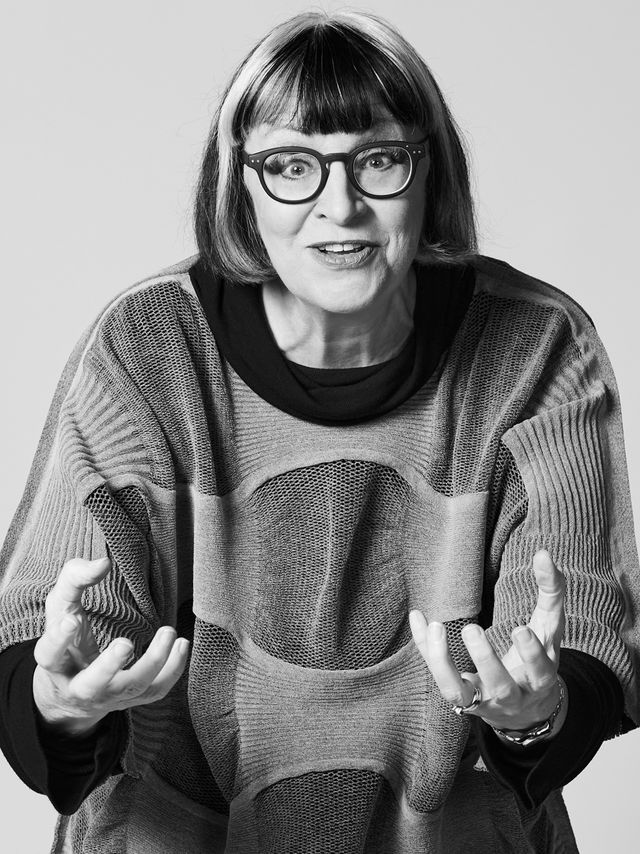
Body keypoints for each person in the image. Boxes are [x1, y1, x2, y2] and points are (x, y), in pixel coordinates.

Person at [0, 8, 638, 853]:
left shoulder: (534, 345)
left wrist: (537, 711)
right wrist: (60, 702)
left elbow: (577, 628)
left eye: (378, 159)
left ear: (430, 172)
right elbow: (52, 632)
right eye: (291, 166)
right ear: (239, 184)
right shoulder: (148, 346)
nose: (340, 206)